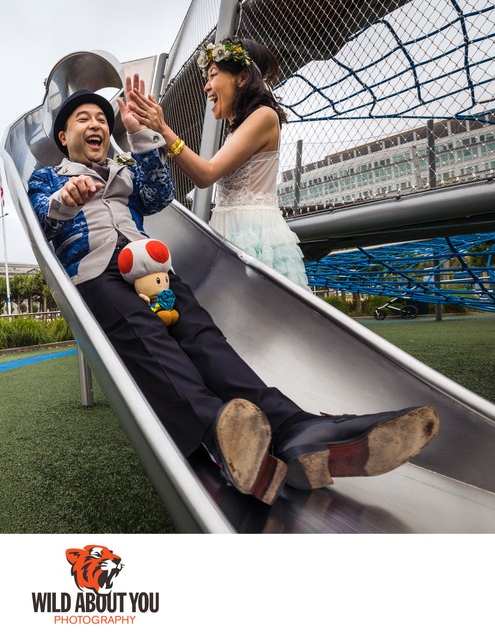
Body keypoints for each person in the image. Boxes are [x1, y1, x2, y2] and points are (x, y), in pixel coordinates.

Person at [27, 88, 439, 505]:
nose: (95, 124)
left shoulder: (124, 166)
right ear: (63, 137)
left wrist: (139, 134)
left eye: (101, 118)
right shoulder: (48, 176)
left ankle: (296, 428)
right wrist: (65, 199)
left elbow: (157, 196)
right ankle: (218, 434)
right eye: (83, 118)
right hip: (98, 272)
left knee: (205, 340)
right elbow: (43, 213)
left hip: (152, 266)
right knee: (150, 343)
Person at [127, 38, 309, 288]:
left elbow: (206, 174)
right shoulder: (238, 130)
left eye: (212, 75)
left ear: (242, 78)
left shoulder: (264, 116)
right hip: (231, 229)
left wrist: (163, 129)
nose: (206, 87)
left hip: (255, 235)